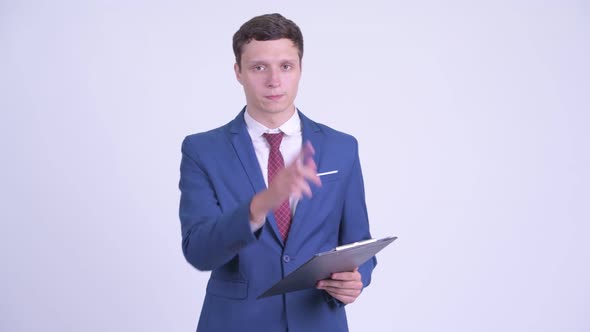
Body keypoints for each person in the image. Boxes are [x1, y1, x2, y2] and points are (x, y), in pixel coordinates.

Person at [179, 13, 376, 332]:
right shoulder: (203, 150)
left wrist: (357, 279)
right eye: (259, 67)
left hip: (318, 321)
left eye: (286, 66)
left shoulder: (342, 147)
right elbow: (200, 251)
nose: (274, 80)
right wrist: (262, 203)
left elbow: (358, 242)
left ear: (299, 69)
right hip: (235, 324)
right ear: (238, 72)